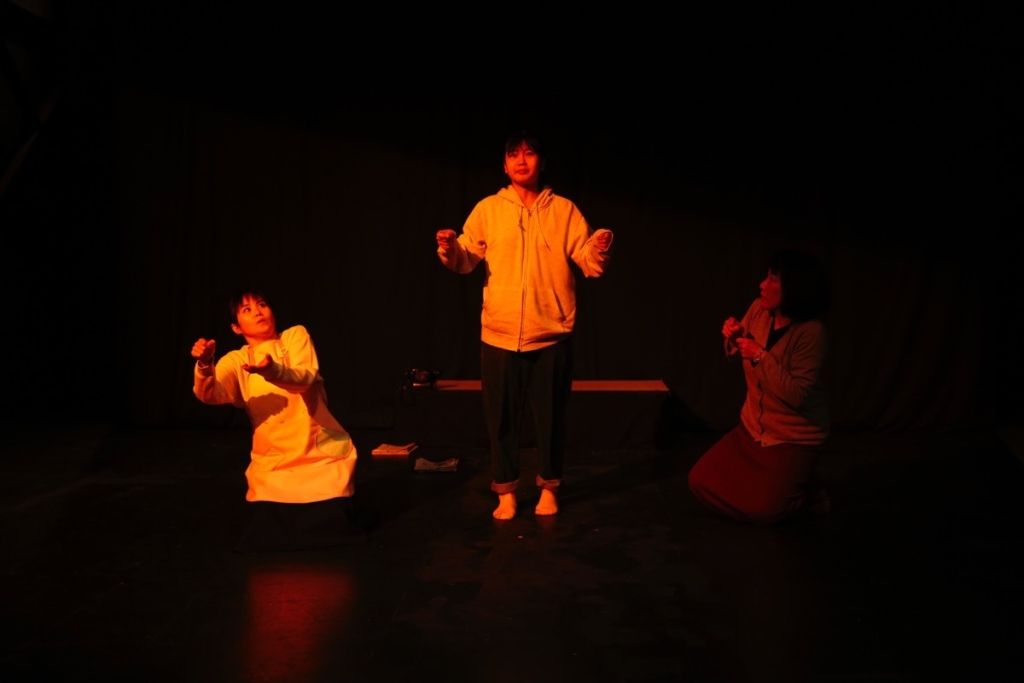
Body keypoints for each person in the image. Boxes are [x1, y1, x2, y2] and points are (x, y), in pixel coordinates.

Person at [436, 131, 614, 520]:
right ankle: (506, 491)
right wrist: (449, 248)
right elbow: (466, 258)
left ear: (541, 163)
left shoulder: (564, 211)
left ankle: (549, 487)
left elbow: (588, 262)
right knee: (500, 420)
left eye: (529, 154)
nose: (521, 161)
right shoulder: (488, 209)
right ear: (504, 165)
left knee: (551, 419)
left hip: (550, 333)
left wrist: (599, 247)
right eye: (514, 155)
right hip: (499, 334)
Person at [191, 288, 368, 551]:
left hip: (318, 455)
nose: (258, 312)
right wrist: (206, 365)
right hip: (274, 461)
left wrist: (271, 370)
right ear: (236, 328)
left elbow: (304, 378)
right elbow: (210, 394)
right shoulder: (237, 360)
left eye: (262, 305)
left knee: (329, 525)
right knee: (267, 534)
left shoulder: (295, 336)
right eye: (247, 309)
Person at [688, 249, 832, 525]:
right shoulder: (759, 310)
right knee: (699, 481)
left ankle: (807, 491)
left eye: (772, 279)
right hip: (752, 428)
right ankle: (783, 483)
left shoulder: (811, 333)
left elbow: (796, 395)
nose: (762, 285)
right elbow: (737, 354)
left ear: (794, 287)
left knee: (764, 511)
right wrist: (735, 337)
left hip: (792, 437)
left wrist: (759, 355)